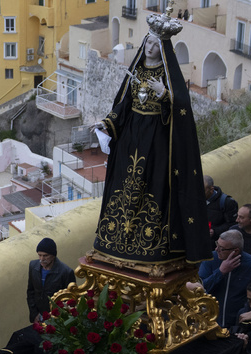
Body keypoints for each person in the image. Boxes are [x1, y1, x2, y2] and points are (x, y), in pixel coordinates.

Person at [91, 20, 212, 269]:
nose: (150, 47)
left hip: (156, 141)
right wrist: (107, 123)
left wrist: (165, 94)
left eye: (156, 44)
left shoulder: (168, 76)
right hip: (131, 139)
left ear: (163, 49)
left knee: (151, 186)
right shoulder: (136, 72)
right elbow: (123, 105)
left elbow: (182, 109)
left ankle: (148, 242)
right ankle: (116, 237)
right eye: (148, 42)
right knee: (125, 185)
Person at [26, 237, 75, 354]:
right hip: (40, 316)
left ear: (53, 255)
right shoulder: (33, 266)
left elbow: (70, 299)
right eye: (39, 255)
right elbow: (31, 292)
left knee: (59, 349)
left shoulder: (65, 272)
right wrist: (34, 313)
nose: (41, 259)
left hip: (57, 318)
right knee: (41, 348)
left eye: (45, 256)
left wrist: (59, 318)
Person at [204, 175, 239, 245]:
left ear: (211, 189)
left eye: (203, 190)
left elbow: (233, 224)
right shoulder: (194, 200)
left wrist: (215, 232)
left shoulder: (227, 202)